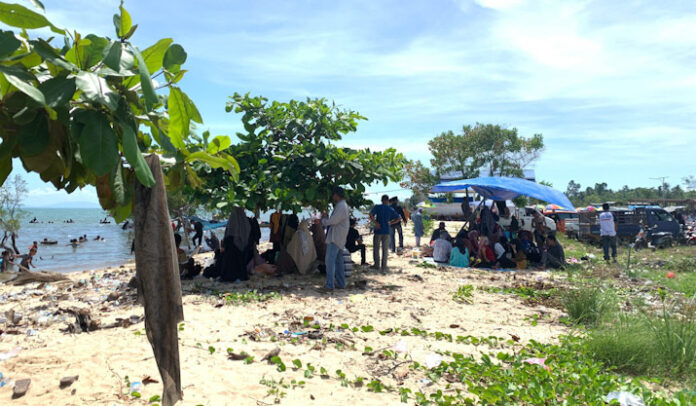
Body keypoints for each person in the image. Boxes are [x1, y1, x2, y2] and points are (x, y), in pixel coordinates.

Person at [320, 186, 351, 291]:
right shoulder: (342, 205)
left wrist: (323, 220)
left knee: (330, 262)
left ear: (336, 195)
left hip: (335, 237)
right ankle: (341, 283)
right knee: (338, 262)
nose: (333, 198)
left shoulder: (341, 206)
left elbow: (333, 220)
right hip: (339, 237)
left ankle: (330, 285)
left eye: (333, 196)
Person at [369, 195, 400, 270]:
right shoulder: (390, 209)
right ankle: (384, 266)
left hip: (378, 230)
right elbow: (398, 218)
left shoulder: (377, 207)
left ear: (381, 200)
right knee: (385, 249)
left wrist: (375, 223)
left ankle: (377, 265)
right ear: (388, 200)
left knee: (376, 248)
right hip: (386, 230)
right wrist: (391, 223)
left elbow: (370, 214)